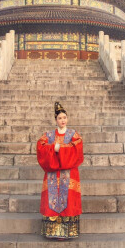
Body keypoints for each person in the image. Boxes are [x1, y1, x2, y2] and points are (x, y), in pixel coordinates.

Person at [36, 101, 84, 240]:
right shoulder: (49, 135)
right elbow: (41, 146)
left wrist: (59, 149)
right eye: (59, 118)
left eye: (64, 117)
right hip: (52, 173)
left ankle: (69, 231)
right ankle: (52, 231)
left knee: (69, 200)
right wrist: (52, 149)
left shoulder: (74, 135)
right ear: (55, 120)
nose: (62, 120)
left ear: (67, 119)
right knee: (51, 201)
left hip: (69, 173)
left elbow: (77, 149)